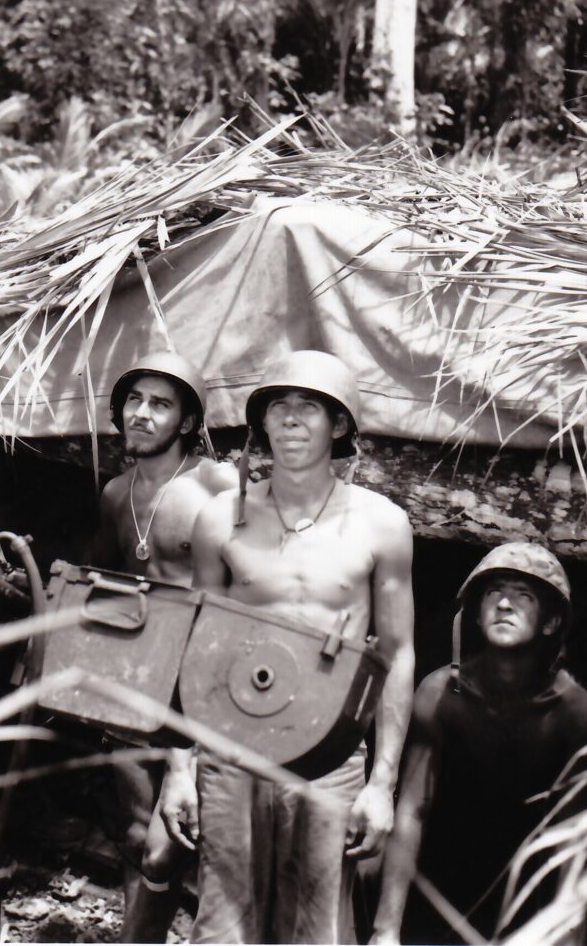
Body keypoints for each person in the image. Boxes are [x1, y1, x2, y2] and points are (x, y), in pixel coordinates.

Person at [156, 349, 416, 944]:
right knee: (223, 923)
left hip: (331, 754)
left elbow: (397, 654)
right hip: (232, 746)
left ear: (341, 425)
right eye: (279, 407)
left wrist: (382, 783)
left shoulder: (381, 524)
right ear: (261, 424)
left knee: (318, 927)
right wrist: (178, 765)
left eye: (309, 408)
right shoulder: (222, 518)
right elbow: (193, 638)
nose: (291, 420)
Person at [369, 542, 587, 945]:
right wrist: (386, 928)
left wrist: (571, 929)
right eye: (494, 593)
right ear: (476, 613)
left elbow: (574, 827)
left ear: (550, 622)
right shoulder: (440, 693)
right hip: (443, 880)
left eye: (523, 596)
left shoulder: (572, 709)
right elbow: (412, 813)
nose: (505, 605)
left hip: (524, 889)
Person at [91, 352, 238, 942]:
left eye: (160, 404)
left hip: (204, 685)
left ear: (185, 421)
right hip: (135, 680)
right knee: (135, 836)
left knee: (186, 842)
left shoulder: (218, 486)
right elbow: (101, 586)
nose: (142, 415)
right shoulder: (113, 494)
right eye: (134, 401)